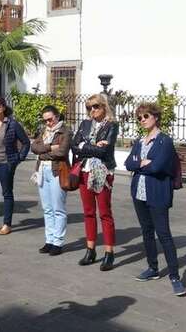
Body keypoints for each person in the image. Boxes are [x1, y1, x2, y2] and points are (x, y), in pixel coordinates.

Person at [124, 103, 186, 296]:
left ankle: (175, 276)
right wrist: (142, 162)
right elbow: (127, 164)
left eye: (146, 116)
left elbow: (158, 167)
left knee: (164, 234)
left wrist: (139, 164)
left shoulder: (164, 141)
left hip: (157, 192)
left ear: (156, 117)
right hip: (139, 192)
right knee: (146, 231)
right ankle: (153, 268)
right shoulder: (140, 141)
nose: (143, 120)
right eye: (140, 117)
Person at [71, 93, 119, 271]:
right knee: (88, 212)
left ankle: (109, 253)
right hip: (84, 170)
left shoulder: (112, 125)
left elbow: (104, 152)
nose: (92, 110)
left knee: (105, 212)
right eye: (89, 107)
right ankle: (90, 250)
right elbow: (74, 146)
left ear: (104, 106)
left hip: (103, 172)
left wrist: (85, 146)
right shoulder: (84, 124)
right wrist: (89, 147)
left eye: (96, 106)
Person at [0, 96, 29, 235]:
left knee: (7, 193)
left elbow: (26, 142)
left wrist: (19, 158)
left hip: (5, 163)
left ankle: (7, 224)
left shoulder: (12, 124)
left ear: (4, 107)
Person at [30, 105, 71, 255]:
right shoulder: (44, 131)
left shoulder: (65, 131)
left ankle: (58, 242)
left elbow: (62, 152)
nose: (48, 123)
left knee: (58, 208)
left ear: (57, 116)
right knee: (47, 208)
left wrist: (43, 152)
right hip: (42, 170)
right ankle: (49, 240)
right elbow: (34, 147)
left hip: (57, 171)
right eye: (45, 120)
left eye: (50, 119)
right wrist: (49, 147)